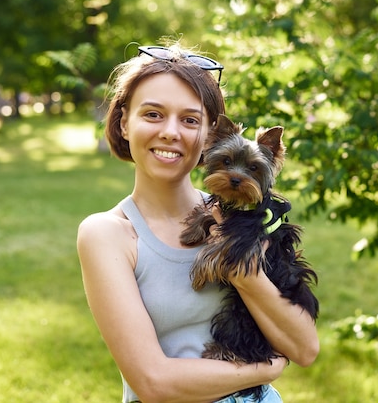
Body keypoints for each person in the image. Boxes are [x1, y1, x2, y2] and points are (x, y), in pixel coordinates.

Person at [76, 43, 319, 403]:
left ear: (209, 136)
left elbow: (304, 348)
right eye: (153, 114)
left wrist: (241, 270)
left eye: (190, 120)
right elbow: (154, 383)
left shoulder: (244, 217)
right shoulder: (108, 234)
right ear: (124, 122)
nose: (171, 132)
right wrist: (264, 370)